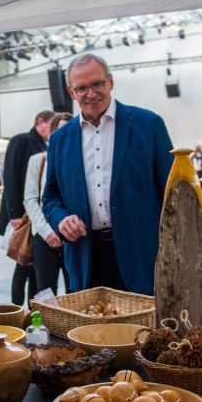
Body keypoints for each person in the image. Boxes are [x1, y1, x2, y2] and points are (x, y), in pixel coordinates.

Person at [43, 54, 173, 295]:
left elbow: (172, 193)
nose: (90, 94)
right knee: (90, 331)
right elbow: (50, 197)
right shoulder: (60, 138)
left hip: (140, 256)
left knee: (142, 331)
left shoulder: (149, 124)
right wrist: (62, 219)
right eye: (81, 88)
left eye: (97, 84)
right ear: (71, 92)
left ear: (110, 82)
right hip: (85, 257)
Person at [0, 110, 55, 305]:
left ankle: (31, 306)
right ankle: (16, 307)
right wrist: (14, 213)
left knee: (32, 266)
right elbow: (11, 177)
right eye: (51, 125)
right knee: (23, 263)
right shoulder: (21, 141)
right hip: (22, 213)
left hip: (35, 214)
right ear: (40, 122)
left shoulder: (45, 146)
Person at [24, 112, 73, 295]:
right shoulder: (39, 160)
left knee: (76, 292)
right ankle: (44, 325)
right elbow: (30, 199)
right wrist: (47, 232)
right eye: (59, 131)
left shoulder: (80, 161)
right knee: (45, 292)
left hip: (73, 237)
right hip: (44, 237)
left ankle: (74, 325)